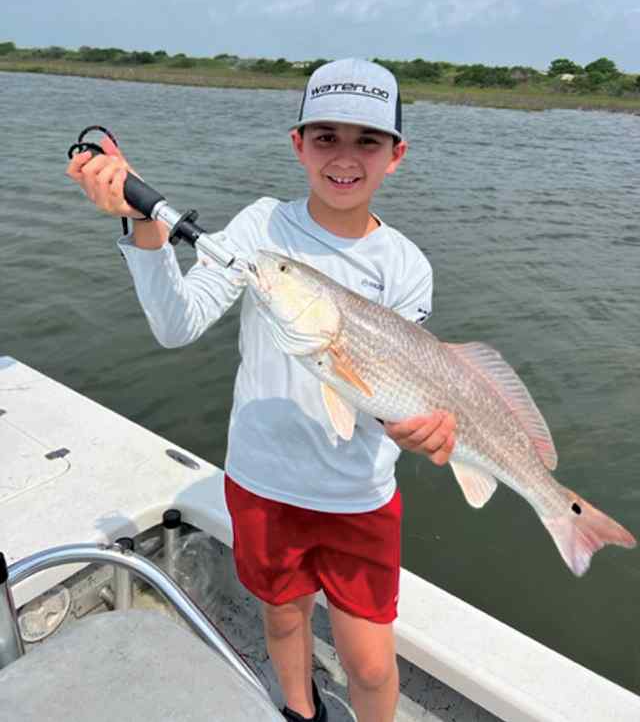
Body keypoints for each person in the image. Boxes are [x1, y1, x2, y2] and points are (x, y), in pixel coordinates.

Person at [66, 58, 456, 722]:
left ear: (396, 155)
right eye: (325, 136)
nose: (345, 156)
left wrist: (420, 425)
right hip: (262, 484)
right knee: (281, 621)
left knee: (368, 661)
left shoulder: (406, 266)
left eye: (367, 140)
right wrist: (147, 233)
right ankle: (301, 711)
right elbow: (176, 322)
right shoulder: (260, 229)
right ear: (298, 143)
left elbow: (393, 395)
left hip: (357, 496)